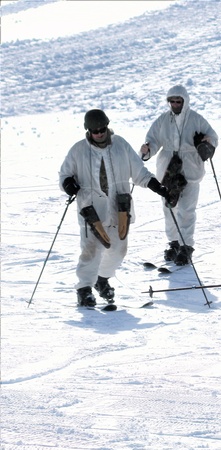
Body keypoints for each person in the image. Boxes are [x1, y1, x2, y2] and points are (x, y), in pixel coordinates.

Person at [59, 109, 169, 306]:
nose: (100, 133)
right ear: (88, 131)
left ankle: (102, 279)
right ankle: (84, 289)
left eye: (102, 129)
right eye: (95, 131)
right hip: (90, 209)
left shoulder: (120, 145)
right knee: (91, 250)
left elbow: (139, 172)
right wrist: (68, 184)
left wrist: (157, 186)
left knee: (118, 251)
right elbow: (64, 174)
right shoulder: (78, 150)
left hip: (119, 208)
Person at [141, 84, 218, 266]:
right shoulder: (162, 121)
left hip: (190, 169)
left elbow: (213, 137)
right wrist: (147, 150)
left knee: (187, 210)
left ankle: (186, 246)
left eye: (178, 101)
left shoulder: (196, 119)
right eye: (172, 101)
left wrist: (208, 142)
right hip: (168, 170)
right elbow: (152, 140)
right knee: (169, 208)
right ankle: (174, 243)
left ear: (185, 101)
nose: (175, 104)